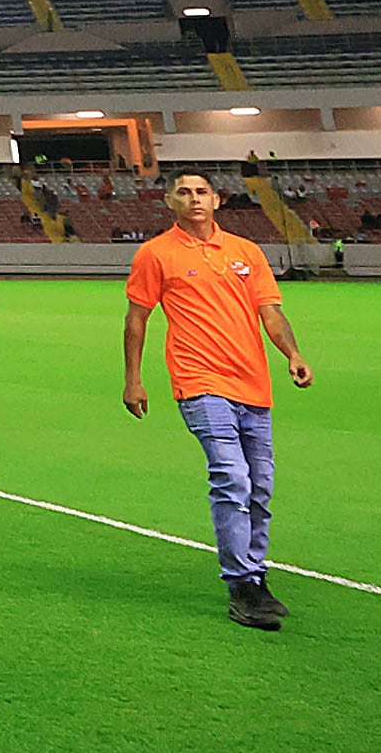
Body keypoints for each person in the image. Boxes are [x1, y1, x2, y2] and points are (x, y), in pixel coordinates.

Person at [123, 169, 315, 629]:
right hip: (200, 381)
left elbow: (271, 311)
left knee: (260, 486)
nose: (194, 199)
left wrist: (293, 354)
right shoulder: (155, 254)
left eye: (202, 192)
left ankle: (255, 575)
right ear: (169, 201)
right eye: (184, 192)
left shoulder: (246, 252)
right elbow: (136, 319)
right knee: (232, 477)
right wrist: (133, 379)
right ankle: (241, 586)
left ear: (217, 200)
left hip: (253, 383)